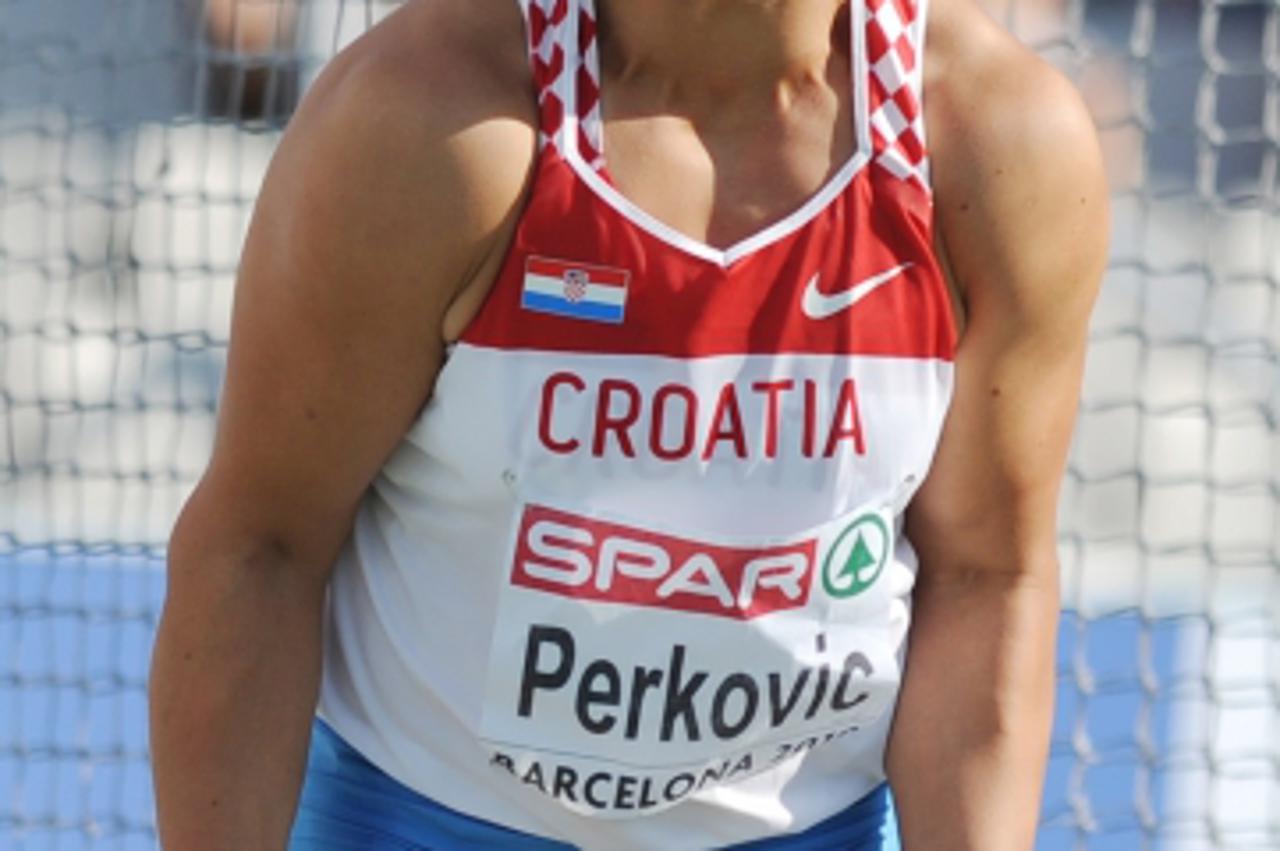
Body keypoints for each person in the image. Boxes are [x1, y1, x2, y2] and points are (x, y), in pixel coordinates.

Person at [149, 0, 1108, 847]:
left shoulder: (995, 138)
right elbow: (259, 551)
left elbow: (988, 574)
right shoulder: (431, 115)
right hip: (419, 815)